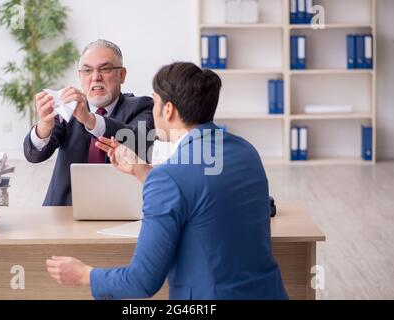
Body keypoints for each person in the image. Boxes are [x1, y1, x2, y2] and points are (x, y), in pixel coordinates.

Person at [46, 62, 288, 300]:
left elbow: (141, 282)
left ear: (169, 110)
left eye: (155, 102)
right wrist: (142, 170)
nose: (152, 110)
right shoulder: (246, 151)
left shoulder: (169, 178)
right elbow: (200, 194)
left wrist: (85, 275)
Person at [23, 39, 154, 206]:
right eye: (87, 70)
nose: (95, 77)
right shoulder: (68, 106)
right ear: (80, 76)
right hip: (64, 211)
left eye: (105, 69)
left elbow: (140, 142)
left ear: (122, 75)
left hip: (117, 210)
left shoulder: (142, 106)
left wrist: (90, 120)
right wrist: (43, 126)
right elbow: (34, 155)